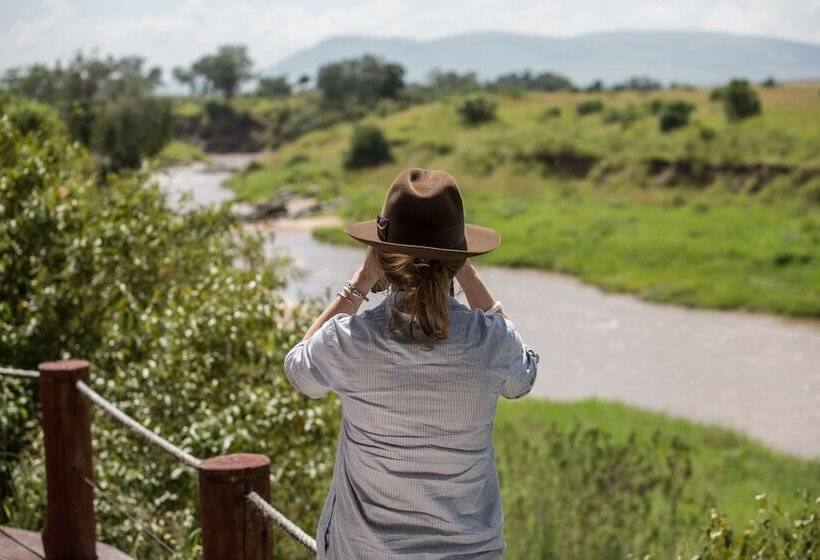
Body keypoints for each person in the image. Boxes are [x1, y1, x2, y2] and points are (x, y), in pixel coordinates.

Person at [284, 167, 540, 559]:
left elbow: (299, 370)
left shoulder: (352, 340)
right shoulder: (491, 341)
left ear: (383, 257)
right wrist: (466, 274)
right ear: (457, 259)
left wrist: (360, 281)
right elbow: (523, 377)